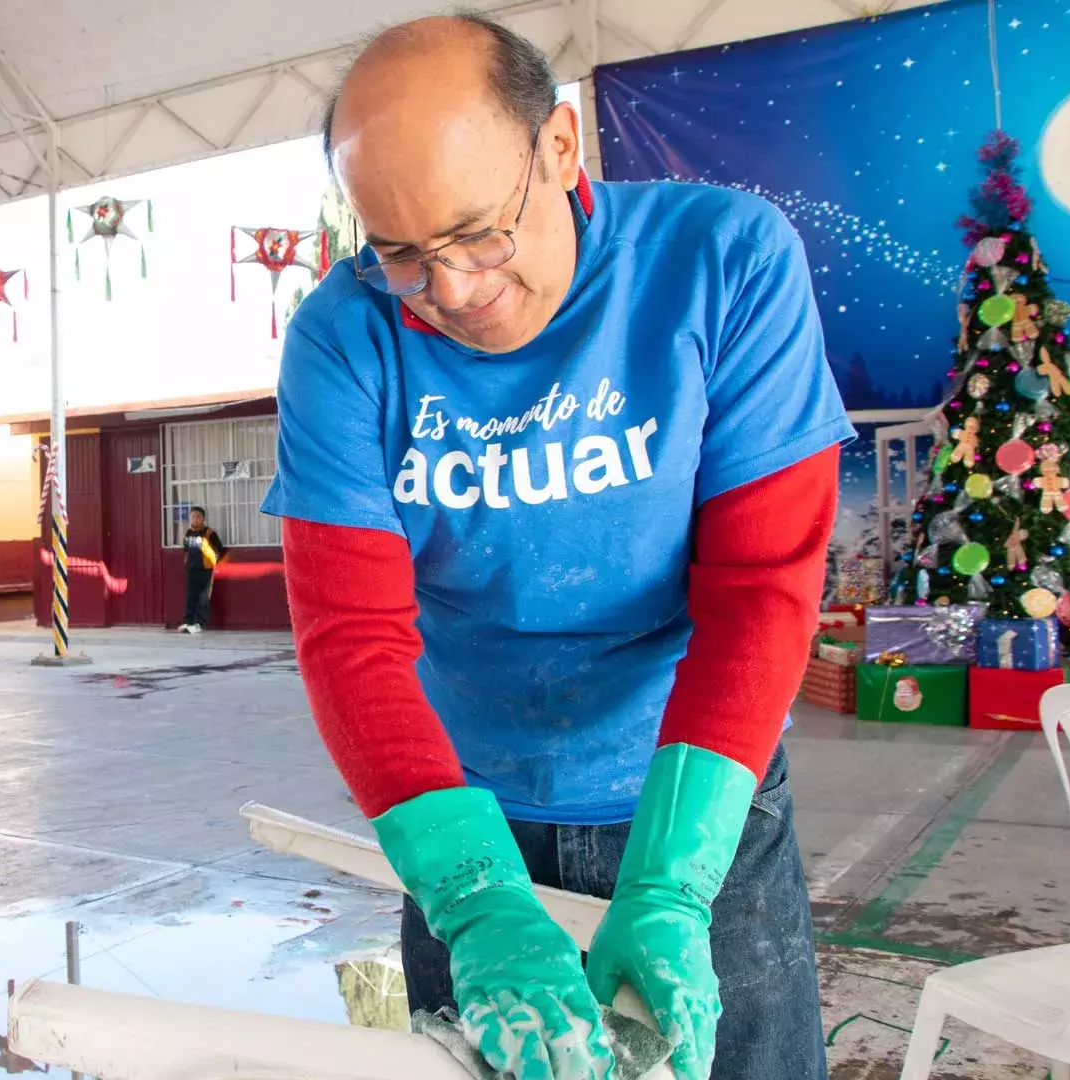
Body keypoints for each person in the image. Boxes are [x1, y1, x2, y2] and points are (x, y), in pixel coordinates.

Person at [261, 14, 850, 1080]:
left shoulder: (724, 262)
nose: (450, 290)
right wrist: (474, 898)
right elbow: (350, 637)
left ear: (562, 149)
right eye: (400, 251)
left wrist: (671, 886)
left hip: (697, 794)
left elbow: (763, 591)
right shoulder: (341, 341)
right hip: (466, 812)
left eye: (480, 231)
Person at [178, 507, 227, 633]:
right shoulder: (188, 533)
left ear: (203, 518)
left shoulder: (209, 533)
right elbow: (186, 550)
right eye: (193, 516)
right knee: (190, 597)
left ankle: (199, 623)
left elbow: (220, 550)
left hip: (206, 571)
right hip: (192, 570)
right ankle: (187, 622)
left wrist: (212, 562)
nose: (195, 519)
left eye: (198, 516)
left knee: (203, 598)